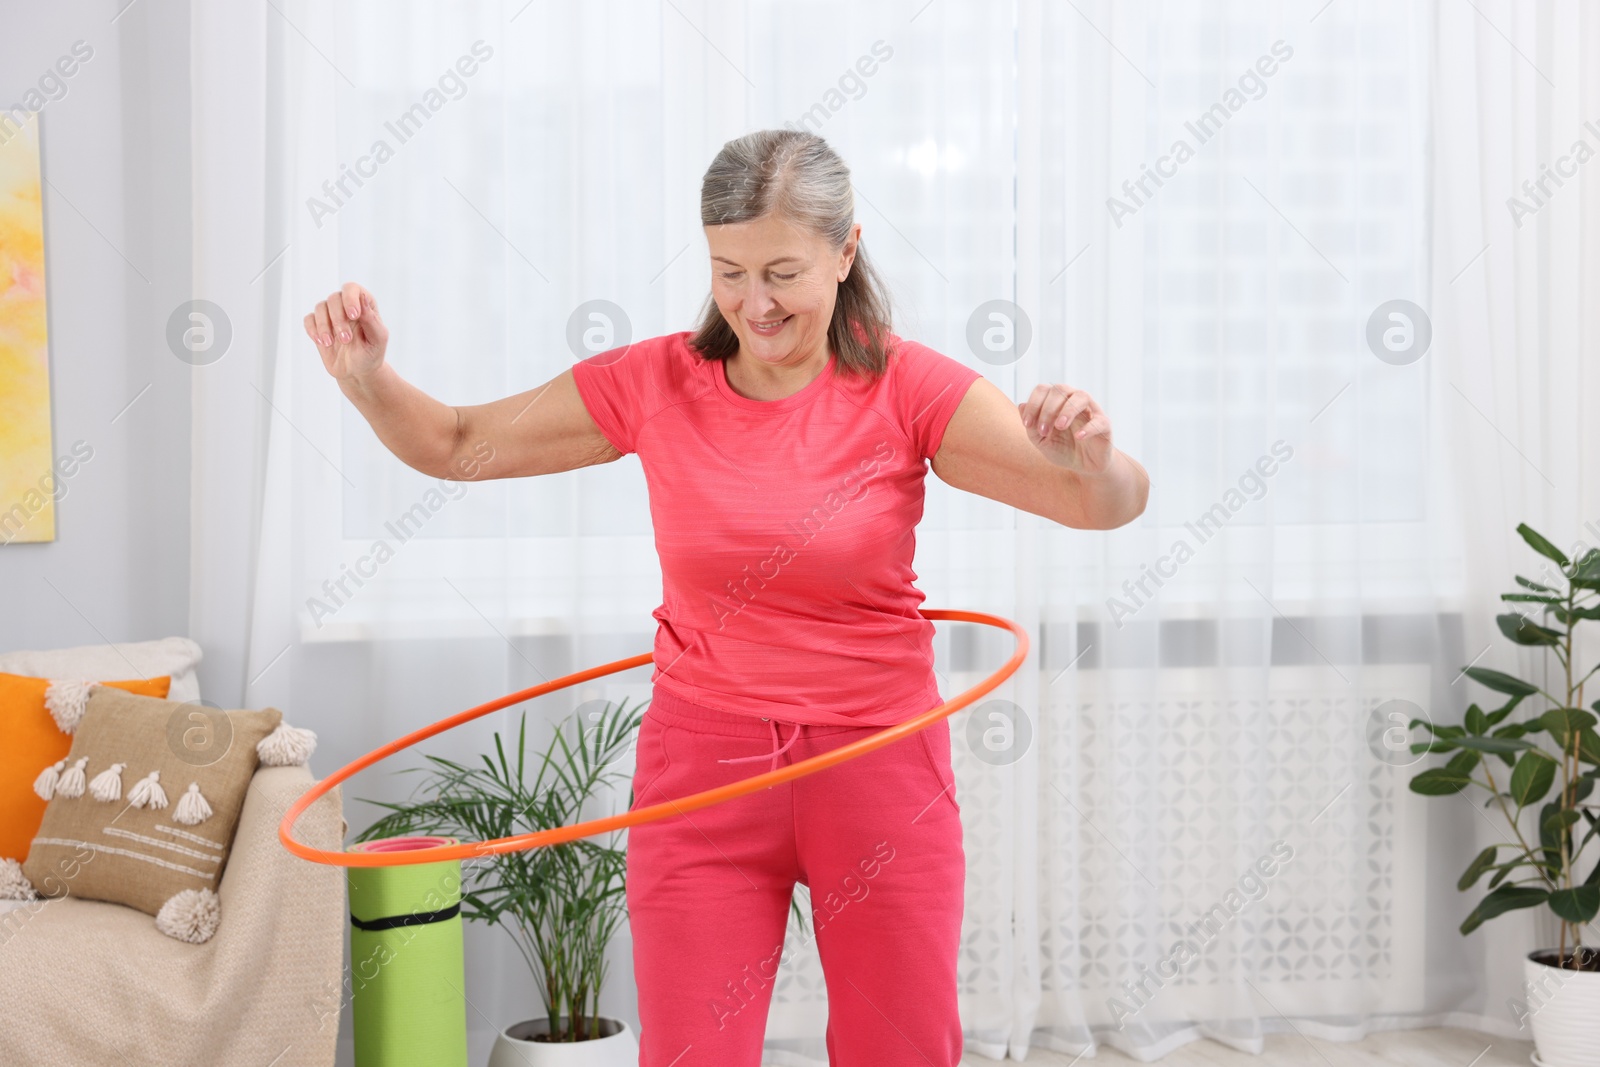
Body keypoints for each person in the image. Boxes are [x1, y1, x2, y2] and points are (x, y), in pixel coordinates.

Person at [306, 128, 1147, 1067]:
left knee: (900, 1051)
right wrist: (369, 377)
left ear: (846, 252)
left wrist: (1098, 458)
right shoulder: (655, 381)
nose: (755, 302)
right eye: (728, 270)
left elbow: (1097, 504)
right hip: (703, 769)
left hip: (877, 763)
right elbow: (456, 442)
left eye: (783, 271)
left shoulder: (908, 389)